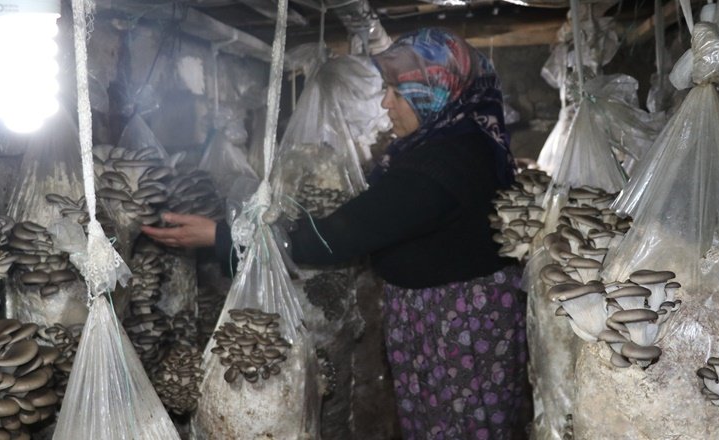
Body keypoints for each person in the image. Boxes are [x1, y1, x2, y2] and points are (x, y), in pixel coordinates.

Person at [142, 28, 527, 440]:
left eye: (398, 91)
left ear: (435, 92)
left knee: (458, 427)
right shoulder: (456, 141)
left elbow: (337, 237)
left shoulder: (444, 163)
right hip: (444, 314)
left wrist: (220, 237)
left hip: (457, 329)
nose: (385, 103)